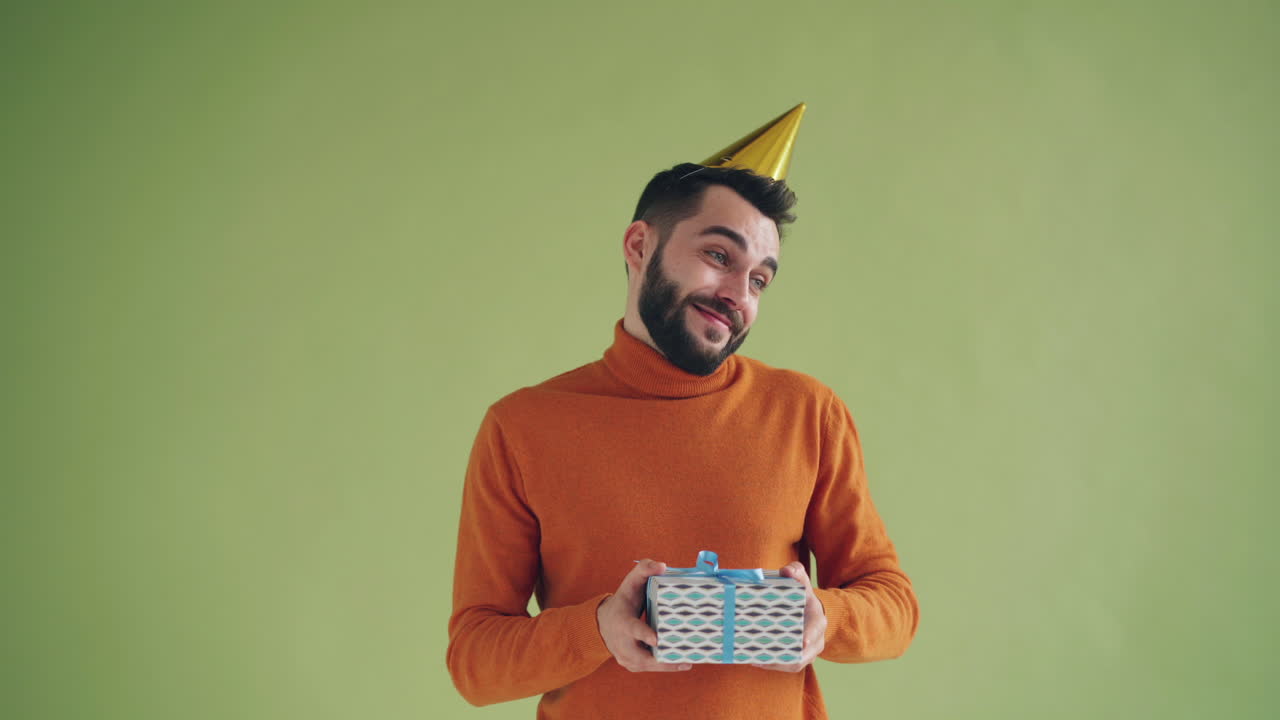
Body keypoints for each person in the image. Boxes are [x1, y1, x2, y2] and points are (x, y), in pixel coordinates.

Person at [446, 104, 919, 719]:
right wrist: (597, 630)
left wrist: (826, 617)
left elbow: (895, 608)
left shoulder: (808, 412)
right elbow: (474, 664)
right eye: (720, 256)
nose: (738, 296)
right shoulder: (523, 426)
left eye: (760, 280)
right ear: (641, 245)